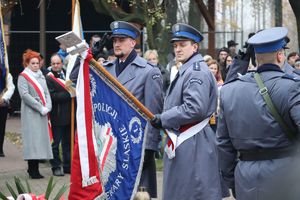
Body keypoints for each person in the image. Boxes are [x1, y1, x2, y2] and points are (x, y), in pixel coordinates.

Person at [217, 27, 300, 200]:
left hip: (245, 179)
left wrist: (233, 181)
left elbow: (223, 144)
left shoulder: (230, 91)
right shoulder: (293, 87)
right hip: (286, 179)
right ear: (279, 55)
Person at [150, 23, 222, 200]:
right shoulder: (189, 68)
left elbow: (194, 108)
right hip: (187, 140)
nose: (178, 49)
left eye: (183, 45)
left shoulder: (196, 71)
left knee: (192, 192)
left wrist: (164, 118)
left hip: (193, 140)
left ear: (195, 46)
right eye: (175, 45)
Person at [103, 21, 163, 198]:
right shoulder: (107, 69)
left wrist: (149, 147)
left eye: (122, 39)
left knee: (138, 195)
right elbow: (76, 77)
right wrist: (95, 52)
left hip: (137, 146)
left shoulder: (148, 72)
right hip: (112, 145)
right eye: (114, 40)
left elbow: (154, 114)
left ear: (133, 42)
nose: (117, 44)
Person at [17, 49, 53, 179]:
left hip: (42, 112)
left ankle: (35, 168)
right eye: (33, 63)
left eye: (37, 63)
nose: (36, 65)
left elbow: (46, 93)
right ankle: (32, 169)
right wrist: (40, 107)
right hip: (31, 113)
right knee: (33, 141)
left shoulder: (41, 75)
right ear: (27, 63)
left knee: (40, 141)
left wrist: (48, 106)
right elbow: (25, 96)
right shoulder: (23, 77)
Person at [46, 53, 72, 176]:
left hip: (70, 115)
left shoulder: (68, 74)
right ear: (51, 64)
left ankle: (67, 166)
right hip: (57, 116)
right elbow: (52, 96)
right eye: (53, 63)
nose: (56, 65)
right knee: (55, 144)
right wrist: (69, 94)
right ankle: (56, 166)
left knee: (68, 143)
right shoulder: (49, 78)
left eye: (58, 63)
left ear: (62, 64)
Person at [0, 70, 15, 157]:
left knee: (1, 127)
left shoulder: (7, 74)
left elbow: (11, 87)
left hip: (2, 104)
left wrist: (4, 98)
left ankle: (0, 148)